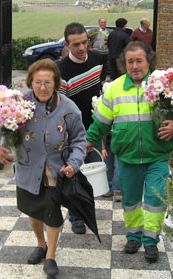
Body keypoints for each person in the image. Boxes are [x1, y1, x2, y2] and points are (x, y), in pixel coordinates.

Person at [85, 41, 173, 263]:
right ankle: (133, 237)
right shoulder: (114, 87)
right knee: (131, 201)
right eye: (130, 61)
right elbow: (102, 122)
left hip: (157, 156)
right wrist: (88, 141)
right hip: (127, 158)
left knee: (155, 200)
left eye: (139, 61)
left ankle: (151, 241)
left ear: (149, 62)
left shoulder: (164, 85)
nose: (135, 66)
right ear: (124, 64)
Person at [0, 59, 86, 277]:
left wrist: (74, 163)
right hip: (27, 168)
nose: (42, 88)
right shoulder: (18, 104)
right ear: (30, 83)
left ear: (56, 84)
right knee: (33, 211)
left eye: (48, 83)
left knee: (52, 213)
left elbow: (80, 140)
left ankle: (50, 255)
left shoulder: (69, 109)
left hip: (56, 170)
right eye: (38, 82)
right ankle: (41, 245)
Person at [58, 22, 103, 234]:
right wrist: (76, 141)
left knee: (93, 172)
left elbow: (101, 95)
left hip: (95, 128)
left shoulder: (98, 61)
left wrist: (98, 136)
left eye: (85, 42)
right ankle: (76, 216)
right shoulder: (62, 71)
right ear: (67, 45)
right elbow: (61, 110)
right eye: (76, 44)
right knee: (74, 174)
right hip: (72, 134)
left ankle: (86, 210)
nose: (82, 48)